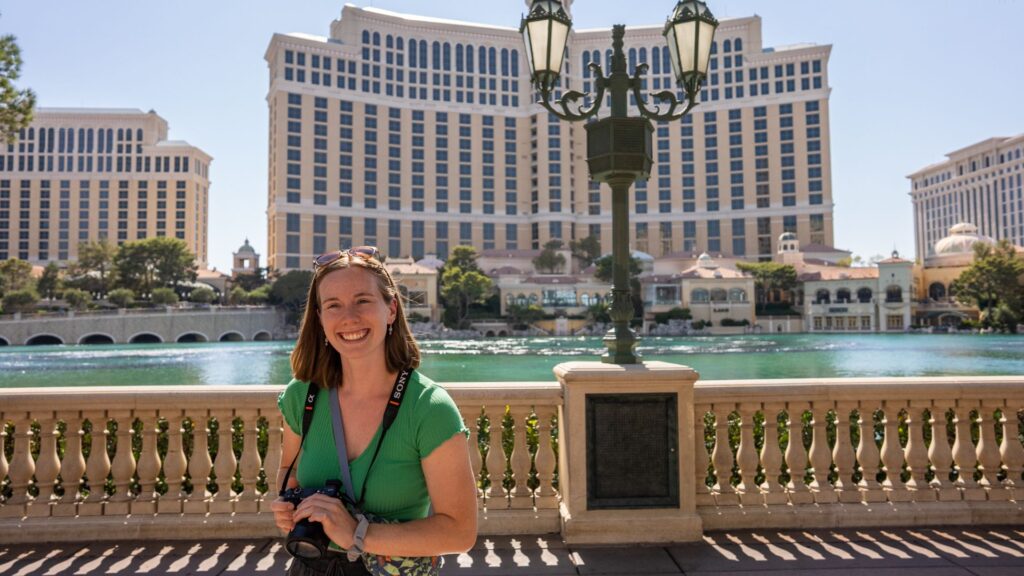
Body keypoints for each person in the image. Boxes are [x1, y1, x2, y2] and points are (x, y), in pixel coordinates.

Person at [272, 247, 478, 575]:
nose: (349, 317)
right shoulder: (302, 396)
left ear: (391, 309)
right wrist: (288, 505)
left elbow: (460, 533)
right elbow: (289, 472)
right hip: (309, 565)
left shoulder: (429, 408)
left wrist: (358, 533)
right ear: (320, 317)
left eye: (363, 301)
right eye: (333, 306)